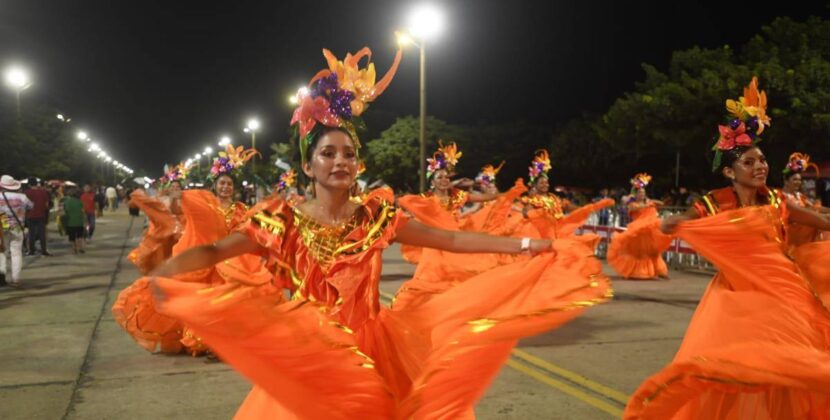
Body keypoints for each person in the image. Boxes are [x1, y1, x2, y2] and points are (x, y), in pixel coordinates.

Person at [146, 45, 611, 419]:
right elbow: (215, 250)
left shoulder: (376, 217)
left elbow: (449, 240)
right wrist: (169, 273)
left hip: (375, 348)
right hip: (314, 353)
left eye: (348, 154)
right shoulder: (280, 221)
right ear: (308, 165)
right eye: (328, 154)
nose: (340, 162)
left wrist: (528, 244)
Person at [625, 77, 830, 418]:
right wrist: (665, 225)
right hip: (737, 300)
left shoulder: (777, 199)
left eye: (761, 160)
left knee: (793, 367)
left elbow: (821, 221)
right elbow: (678, 222)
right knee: (741, 370)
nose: (760, 166)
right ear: (729, 172)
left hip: (787, 294)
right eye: (748, 162)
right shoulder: (713, 203)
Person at [607, 173, 672, 280]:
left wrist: (654, 201)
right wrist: (646, 204)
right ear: (635, 194)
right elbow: (634, 209)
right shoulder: (632, 204)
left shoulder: (648, 202)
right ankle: (642, 272)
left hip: (649, 232)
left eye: (644, 193)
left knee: (653, 251)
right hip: (637, 232)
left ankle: (658, 271)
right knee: (640, 253)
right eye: (640, 193)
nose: (642, 194)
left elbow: (660, 203)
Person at [0, 175, 33, 288]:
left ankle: (2, 277)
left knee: (2, 252)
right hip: (17, 228)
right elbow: (31, 206)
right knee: (16, 253)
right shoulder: (22, 197)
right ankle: (15, 279)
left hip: (1, 228)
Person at [24, 177, 52, 256]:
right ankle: (44, 250)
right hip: (41, 215)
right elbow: (47, 205)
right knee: (42, 234)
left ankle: (31, 251)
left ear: (29, 184)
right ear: (37, 183)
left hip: (30, 215)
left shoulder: (26, 192)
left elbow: (25, 205)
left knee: (31, 234)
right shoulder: (43, 192)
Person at [62, 188, 86, 254]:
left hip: (70, 222)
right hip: (79, 221)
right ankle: (80, 247)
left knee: (72, 237)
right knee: (79, 236)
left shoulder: (66, 202)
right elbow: (83, 211)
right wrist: (85, 221)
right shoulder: (80, 201)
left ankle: (74, 249)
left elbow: (64, 212)